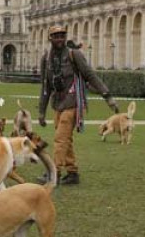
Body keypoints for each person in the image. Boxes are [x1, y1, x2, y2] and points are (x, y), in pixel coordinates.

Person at [37, 25, 118, 185]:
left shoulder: (75, 55)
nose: (59, 39)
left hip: (73, 102)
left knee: (60, 139)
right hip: (58, 103)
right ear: (50, 38)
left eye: (62, 36)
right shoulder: (46, 58)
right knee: (66, 139)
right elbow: (45, 87)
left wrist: (107, 96)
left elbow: (90, 75)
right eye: (56, 36)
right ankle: (72, 173)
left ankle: (54, 173)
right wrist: (41, 111)